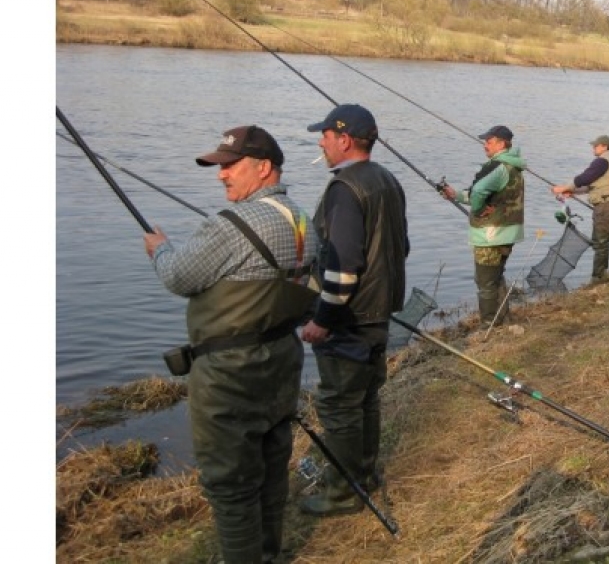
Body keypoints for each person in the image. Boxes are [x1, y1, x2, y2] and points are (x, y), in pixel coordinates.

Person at [142, 126, 319, 563]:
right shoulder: (302, 219)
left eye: (230, 166)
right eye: (219, 167)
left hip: (229, 375)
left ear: (263, 168)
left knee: (230, 482)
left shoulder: (230, 225)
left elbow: (178, 277)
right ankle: (269, 554)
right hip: (281, 361)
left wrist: (160, 249)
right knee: (272, 466)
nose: (222, 176)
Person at [299, 103, 409, 518]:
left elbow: (344, 268)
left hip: (349, 318)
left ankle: (344, 493)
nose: (321, 143)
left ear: (343, 140)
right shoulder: (387, 180)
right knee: (366, 400)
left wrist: (320, 321)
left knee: (340, 406)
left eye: (324, 136)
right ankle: (364, 475)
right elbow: (401, 247)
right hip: (379, 313)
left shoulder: (344, 189)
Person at [441, 125, 526, 326]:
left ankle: (489, 325)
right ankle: (503, 320)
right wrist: (457, 195)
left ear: (501, 143)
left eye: (489, 141)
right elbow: (483, 194)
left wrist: (478, 211)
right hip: (509, 232)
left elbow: (479, 191)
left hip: (490, 235)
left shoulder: (497, 167)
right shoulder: (514, 166)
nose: (484, 145)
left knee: (485, 283)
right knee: (496, 277)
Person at [551, 134, 609, 280]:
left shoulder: (602, 161)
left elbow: (584, 178)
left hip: (606, 206)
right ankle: (600, 274)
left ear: (604, 146)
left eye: (595, 145)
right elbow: (592, 185)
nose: (593, 148)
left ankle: (599, 277)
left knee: (601, 242)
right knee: (600, 241)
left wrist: (564, 187)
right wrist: (572, 191)